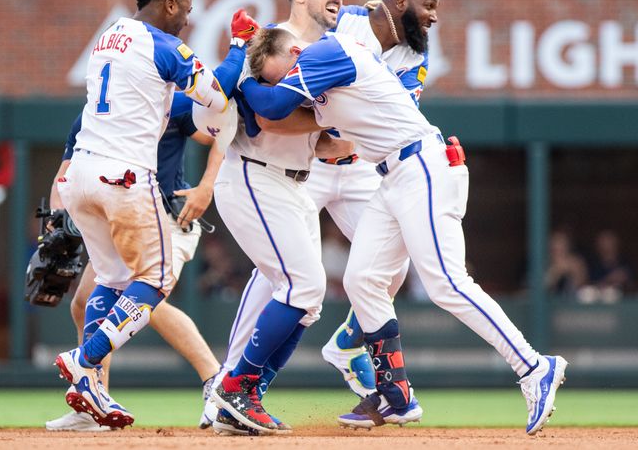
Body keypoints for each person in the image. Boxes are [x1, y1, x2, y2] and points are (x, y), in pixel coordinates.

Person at [239, 26, 568, 436]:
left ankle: (534, 366)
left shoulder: (325, 51)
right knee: (363, 280)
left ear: (293, 50)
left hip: (422, 165)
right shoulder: (322, 89)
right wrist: (257, 86)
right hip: (392, 176)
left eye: (279, 71)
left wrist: (243, 72)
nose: (282, 80)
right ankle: (395, 395)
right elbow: (268, 120)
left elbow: (269, 104)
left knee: (446, 283)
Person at [203, 0, 439, 436]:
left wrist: (334, 122)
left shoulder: (369, 33)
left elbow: (369, 122)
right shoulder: (270, 43)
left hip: (341, 168)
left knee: (383, 266)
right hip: (271, 171)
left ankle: (334, 350)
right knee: (287, 281)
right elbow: (253, 114)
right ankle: (230, 388)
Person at [53, 0, 254, 428]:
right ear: (167, 4)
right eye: (185, 8)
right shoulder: (161, 45)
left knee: (112, 278)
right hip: (124, 177)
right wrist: (240, 47)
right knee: (157, 279)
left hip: (82, 174)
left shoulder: (108, 37)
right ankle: (85, 361)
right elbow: (219, 96)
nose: (187, 18)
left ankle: (93, 390)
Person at [206, 0, 355, 436]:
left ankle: (245, 395)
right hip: (254, 173)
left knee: (307, 300)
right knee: (303, 287)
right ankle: (234, 389)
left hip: (296, 179)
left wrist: (338, 142)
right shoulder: (267, 43)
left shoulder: (331, 50)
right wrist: (335, 121)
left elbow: (320, 140)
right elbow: (266, 115)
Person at [45, 87, 226, 430]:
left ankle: (215, 383)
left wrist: (206, 187)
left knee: (145, 298)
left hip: (170, 217)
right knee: (84, 304)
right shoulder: (92, 114)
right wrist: (57, 215)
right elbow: (65, 171)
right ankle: (92, 401)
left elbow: (222, 130)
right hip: (123, 221)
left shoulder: (171, 102)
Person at [579, 229, 635, 303]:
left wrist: (625, 281)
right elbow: (585, 288)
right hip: (597, 305)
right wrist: (608, 280)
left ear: (616, 243)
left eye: (609, 240)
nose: (606, 244)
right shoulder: (592, 264)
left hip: (622, 303)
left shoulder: (626, 263)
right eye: (603, 241)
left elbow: (634, 287)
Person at [545, 230, 588, 296]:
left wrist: (572, 271)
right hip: (551, 304)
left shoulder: (576, 262)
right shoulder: (544, 263)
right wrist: (555, 273)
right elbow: (537, 290)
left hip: (571, 304)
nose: (558, 247)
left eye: (561, 244)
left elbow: (582, 286)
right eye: (555, 245)